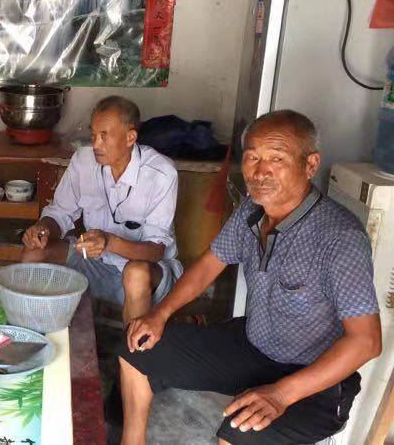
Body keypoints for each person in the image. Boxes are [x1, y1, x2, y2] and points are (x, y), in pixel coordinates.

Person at [119, 110, 382, 445]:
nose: (259, 171)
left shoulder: (339, 237)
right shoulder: (250, 211)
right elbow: (209, 265)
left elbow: (366, 341)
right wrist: (159, 314)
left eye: (277, 158)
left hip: (314, 380)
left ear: (310, 165)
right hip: (252, 347)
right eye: (252, 157)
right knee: (137, 345)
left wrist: (281, 395)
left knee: (239, 431)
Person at [22, 96, 183, 324]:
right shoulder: (83, 161)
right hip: (94, 261)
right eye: (93, 135)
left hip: (145, 272)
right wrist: (43, 229)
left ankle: (133, 347)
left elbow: (155, 251)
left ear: (130, 137)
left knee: (136, 274)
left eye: (104, 136)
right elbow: (59, 213)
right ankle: (35, 331)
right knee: (34, 253)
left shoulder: (162, 173)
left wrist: (109, 242)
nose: (96, 144)